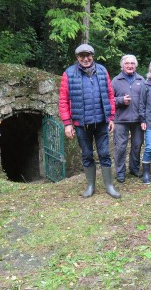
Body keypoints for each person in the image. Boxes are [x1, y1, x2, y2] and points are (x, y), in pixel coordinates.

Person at [59, 43, 121, 199]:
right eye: (82, 56)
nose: (85, 59)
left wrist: (111, 117)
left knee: (105, 154)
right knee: (87, 154)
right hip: (81, 124)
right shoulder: (69, 74)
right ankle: (90, 186)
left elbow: (109, 95)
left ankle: (109, 186)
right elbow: (63, 100)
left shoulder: (102, 71)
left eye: (88, 55)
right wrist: (67, 123)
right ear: (77, 58)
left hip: (101, 122)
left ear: (92, 56)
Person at [111, 54, 145, 183]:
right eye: (127, 64)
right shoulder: (116, 81)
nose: (130, 66)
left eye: (132, 64)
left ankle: (134, 169)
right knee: (120, 147)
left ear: (135, 65)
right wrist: (120, 100)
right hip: (121, 120)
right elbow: (108, 100)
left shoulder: (141, 80)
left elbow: (146, 100)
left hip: (138, 120)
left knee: (137, 145)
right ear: (122, 65)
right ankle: (120, 172)